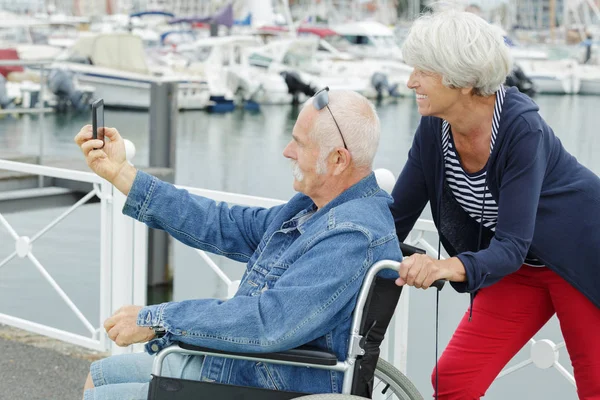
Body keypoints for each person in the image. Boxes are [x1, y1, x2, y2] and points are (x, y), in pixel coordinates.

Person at [74, 88, 402, 400]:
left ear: (338, 160)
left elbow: (267, 322)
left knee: (101, 395)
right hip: (243, 365)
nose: (287, 151)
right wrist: (121, 174)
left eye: (299, 144)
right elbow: (222, 223)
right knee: (100, 375)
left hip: (269, 382)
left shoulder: (352, 236)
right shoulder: (312, 207)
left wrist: (156, 318)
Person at [389, 9, 600, 400]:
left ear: (464, 80)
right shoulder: (435, 127)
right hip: (519, 266)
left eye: (424, 70)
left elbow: (511, 244)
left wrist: (442, 267)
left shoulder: (522, 129)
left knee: (596, 386)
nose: (410, 81)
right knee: (454, 380)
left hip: (582, 256)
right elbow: (396, 216)